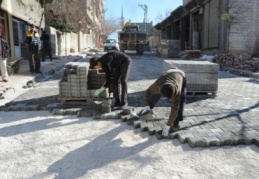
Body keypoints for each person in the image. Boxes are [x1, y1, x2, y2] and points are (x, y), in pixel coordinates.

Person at [138, 67, 187, 137]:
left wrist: (168, 126)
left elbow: (174, 109)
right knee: (155, 95)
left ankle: (176, 123)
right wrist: (147, 105)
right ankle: (147, 109)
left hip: (181, 75)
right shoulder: (158, 84)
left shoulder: (177, 92)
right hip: (169, 72)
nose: (168, 99)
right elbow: (147, 92)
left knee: (181, 101)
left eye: (169, 98)